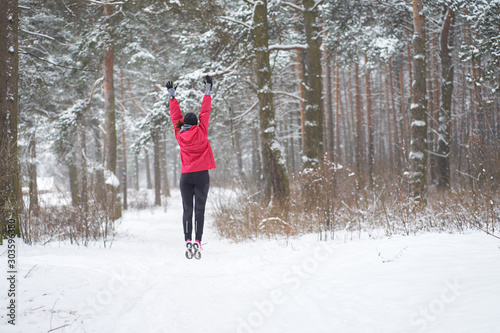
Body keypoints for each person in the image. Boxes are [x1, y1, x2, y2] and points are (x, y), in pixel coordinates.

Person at [166, 76, 216, 260]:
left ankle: (187, 240)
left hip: (186, 177)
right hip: (202, 176)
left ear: (184, 125)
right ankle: (197, 241)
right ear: (196, 124)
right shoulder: (201, 131)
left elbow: (175, 117)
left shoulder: (180, 134)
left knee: (187, 209)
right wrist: (207, 92)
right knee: (199, 209)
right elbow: (205, 112)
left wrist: (172, 97)